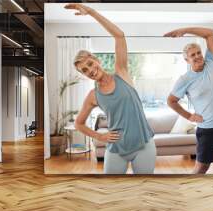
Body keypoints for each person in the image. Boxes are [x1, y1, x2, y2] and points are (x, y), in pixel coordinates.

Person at [65, 3, 156, 174]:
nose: (90, 70)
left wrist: (91, 12)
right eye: (85, 70)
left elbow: (119, 36)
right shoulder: (93, 95)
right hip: (116, 148)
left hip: (144, 144)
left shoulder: (121, 73)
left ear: (96, 60)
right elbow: (79, 123)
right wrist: (99, 136)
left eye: (90, 64)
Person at [165, 27, 213, 176]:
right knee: (201, 169)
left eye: (199, 52)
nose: (198, 56)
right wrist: (189, 116)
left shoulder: (212, 61)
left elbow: (210, 33)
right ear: (187, 60)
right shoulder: (185, 80)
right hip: (208, 130)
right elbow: (171, 101)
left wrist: (184, 30)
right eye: (193, 55)